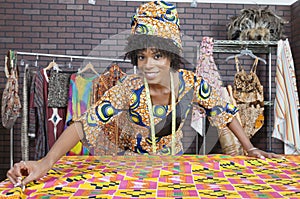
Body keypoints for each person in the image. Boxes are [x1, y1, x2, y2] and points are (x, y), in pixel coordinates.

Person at [7, 0, 281, 188]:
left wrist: (249, 147)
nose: (147, 65)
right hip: (130, 168)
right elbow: (82, 125)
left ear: (172, 57)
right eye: (141, 56)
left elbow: (224, 110)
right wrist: (44, 163)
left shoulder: (191, 84)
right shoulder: (129, 88)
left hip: (172, 168)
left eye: (157, 55)